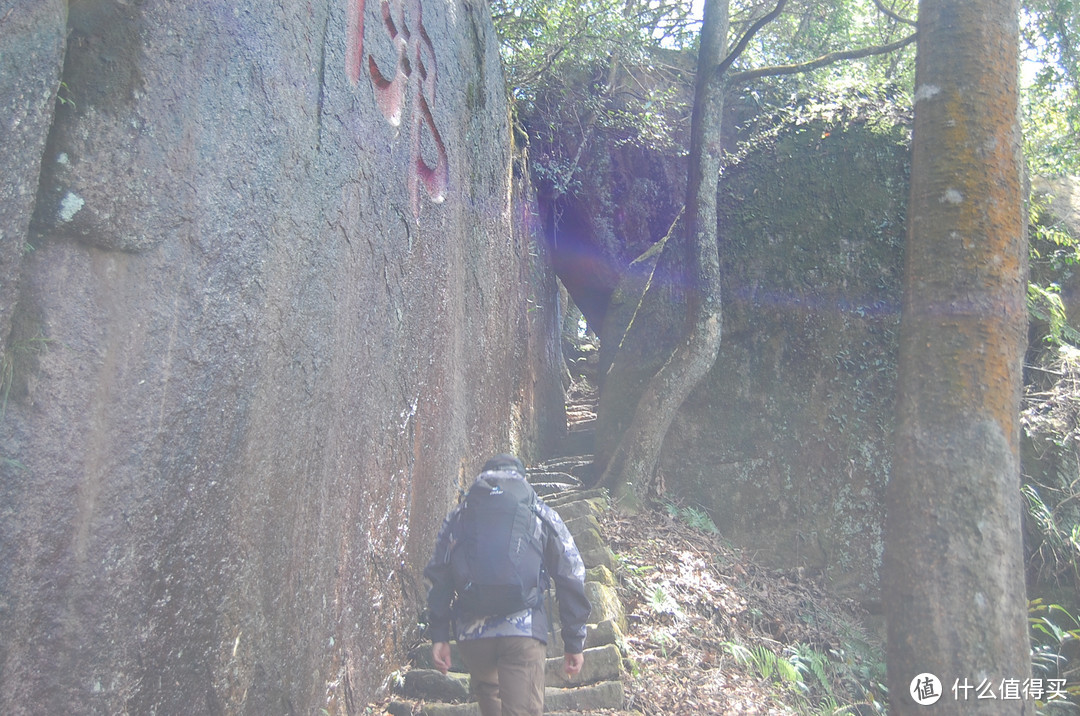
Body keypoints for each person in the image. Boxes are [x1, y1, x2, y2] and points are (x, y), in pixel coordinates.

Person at [423, 453, 592, 716]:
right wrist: (574, 641)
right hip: (523, 632)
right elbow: (570, 571)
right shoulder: (537, 510)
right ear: (521, 479)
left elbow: (439, 574)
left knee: (489, 693)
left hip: (473, 633)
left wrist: (440, 636)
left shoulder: (460, 515)